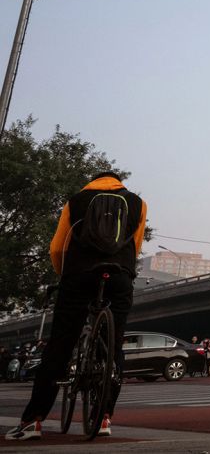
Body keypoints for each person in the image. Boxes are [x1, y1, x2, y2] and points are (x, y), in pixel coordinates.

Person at [6, 171, 147, 442]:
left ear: (93, 181)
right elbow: (136, 243)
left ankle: (32, 421)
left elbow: (58, 247)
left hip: (79, 275)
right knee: (114, 343)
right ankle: (105, 416)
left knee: (60, 346)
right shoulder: (137, 203)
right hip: (119, 276)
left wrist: (65, 275)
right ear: (119, 182)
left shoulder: (76, 200)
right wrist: (125, 271)